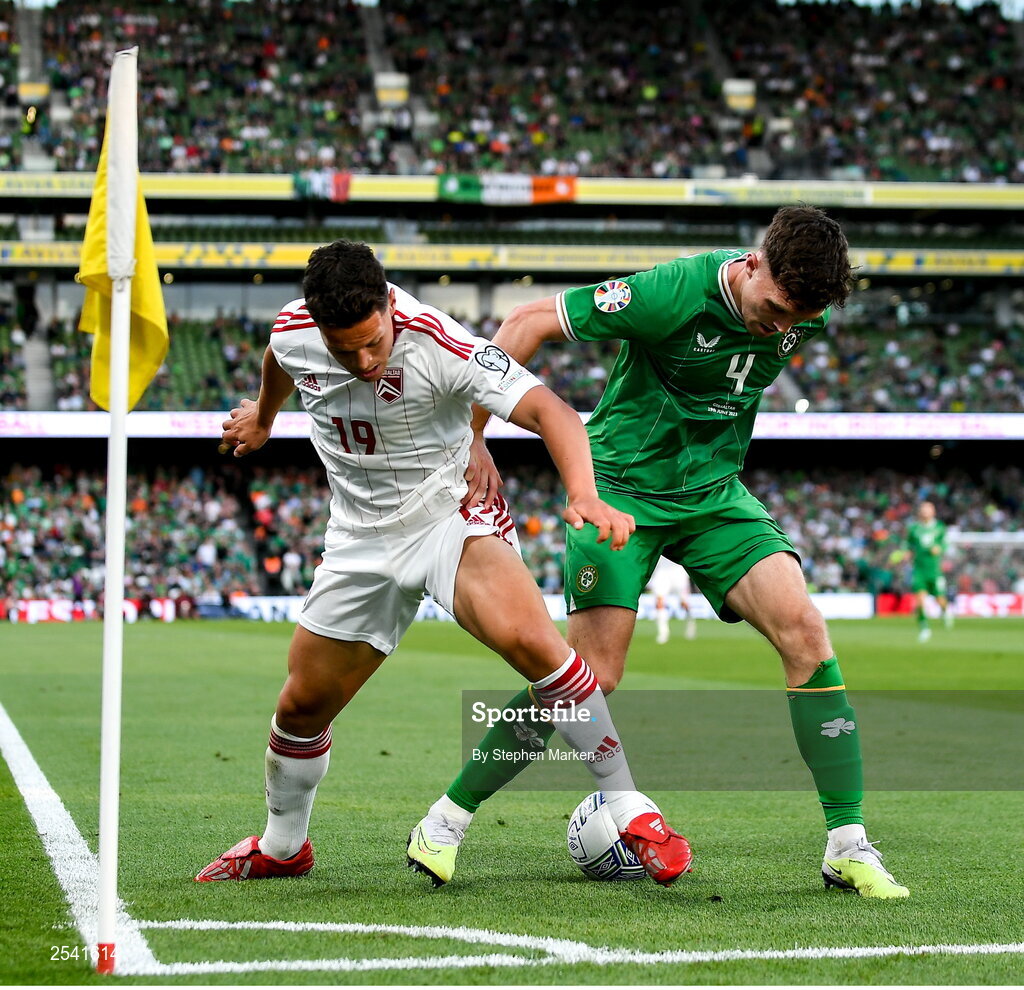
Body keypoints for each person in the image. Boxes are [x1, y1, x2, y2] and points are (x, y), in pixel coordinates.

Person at [413, 206, 910, 899]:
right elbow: (526, 322)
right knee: (589, 675)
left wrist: (789, 317)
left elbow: (784, 320)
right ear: (754, 263)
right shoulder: (670, 292)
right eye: (773, 309)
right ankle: (444, 821)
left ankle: (848, 846)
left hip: (712, 496)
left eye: (797, 318)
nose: (780, 326)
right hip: (619, 490)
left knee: (806, 632)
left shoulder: (802, 308)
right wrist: (471, 436)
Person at [195, 241, 692, 888]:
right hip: (357, 539)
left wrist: (584, 494)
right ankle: (284, 845)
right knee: (301, 706)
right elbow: (279, 362)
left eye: (374, 342)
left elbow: (553, 411)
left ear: (389, 306)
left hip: (447, 514)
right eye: (347, 351)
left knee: (533, 644)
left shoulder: (439, 342)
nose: (366, 361)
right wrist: (263, 416)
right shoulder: (294, 333)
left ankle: (629, 806)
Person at [906, 500, 953, 643]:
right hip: (919, 570)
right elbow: (909, 544)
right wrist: (907, 553)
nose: (925, 511)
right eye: (923, 509)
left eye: (928, 509)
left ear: (933, 512)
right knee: (919, 600)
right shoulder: (914, 528)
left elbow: (945, 544)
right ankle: (924, 628)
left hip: (934, 570)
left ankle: (945, 611)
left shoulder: (939, 527)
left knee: (940, 599)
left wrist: (939, 548)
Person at [647, 555, 696, 644]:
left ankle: (690, 623)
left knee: (684, 603)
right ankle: (663, 632)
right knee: (659, 601)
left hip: (678, 570)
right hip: (662, 571)